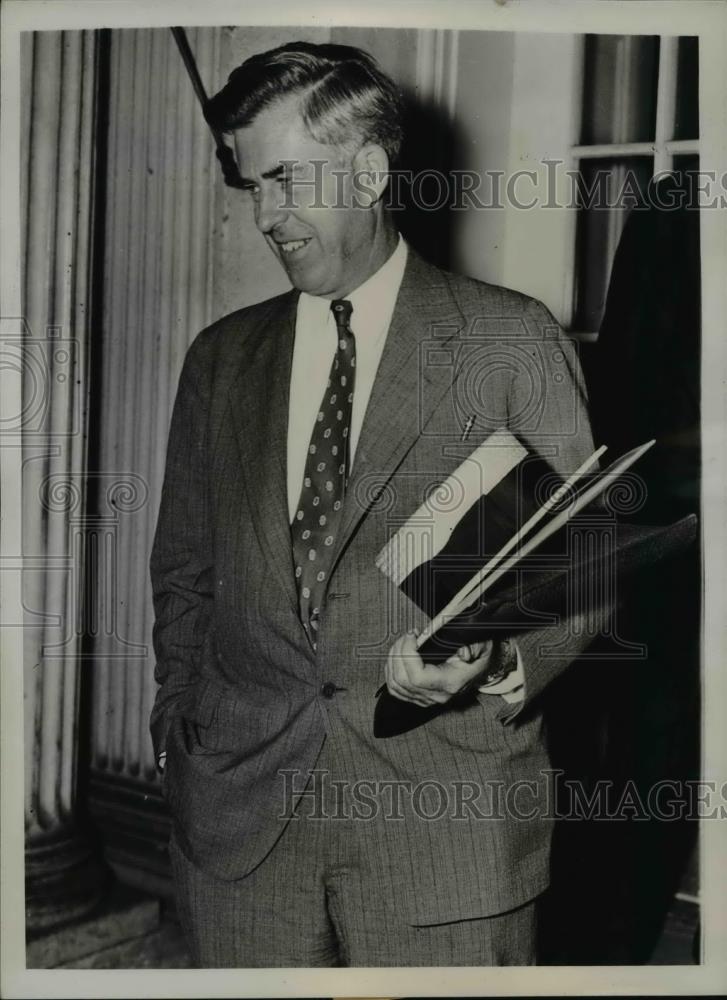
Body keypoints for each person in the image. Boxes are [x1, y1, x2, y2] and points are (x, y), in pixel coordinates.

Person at [150, 41, 602, 968]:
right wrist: (176, 734)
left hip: (443, 837)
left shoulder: (507, 338)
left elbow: (587, 571)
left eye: (285, 179)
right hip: (240, 839)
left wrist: (493, 661)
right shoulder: (219, 359)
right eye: (251, 187)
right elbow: (184, 575)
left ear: (366, 168)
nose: (265, 216)